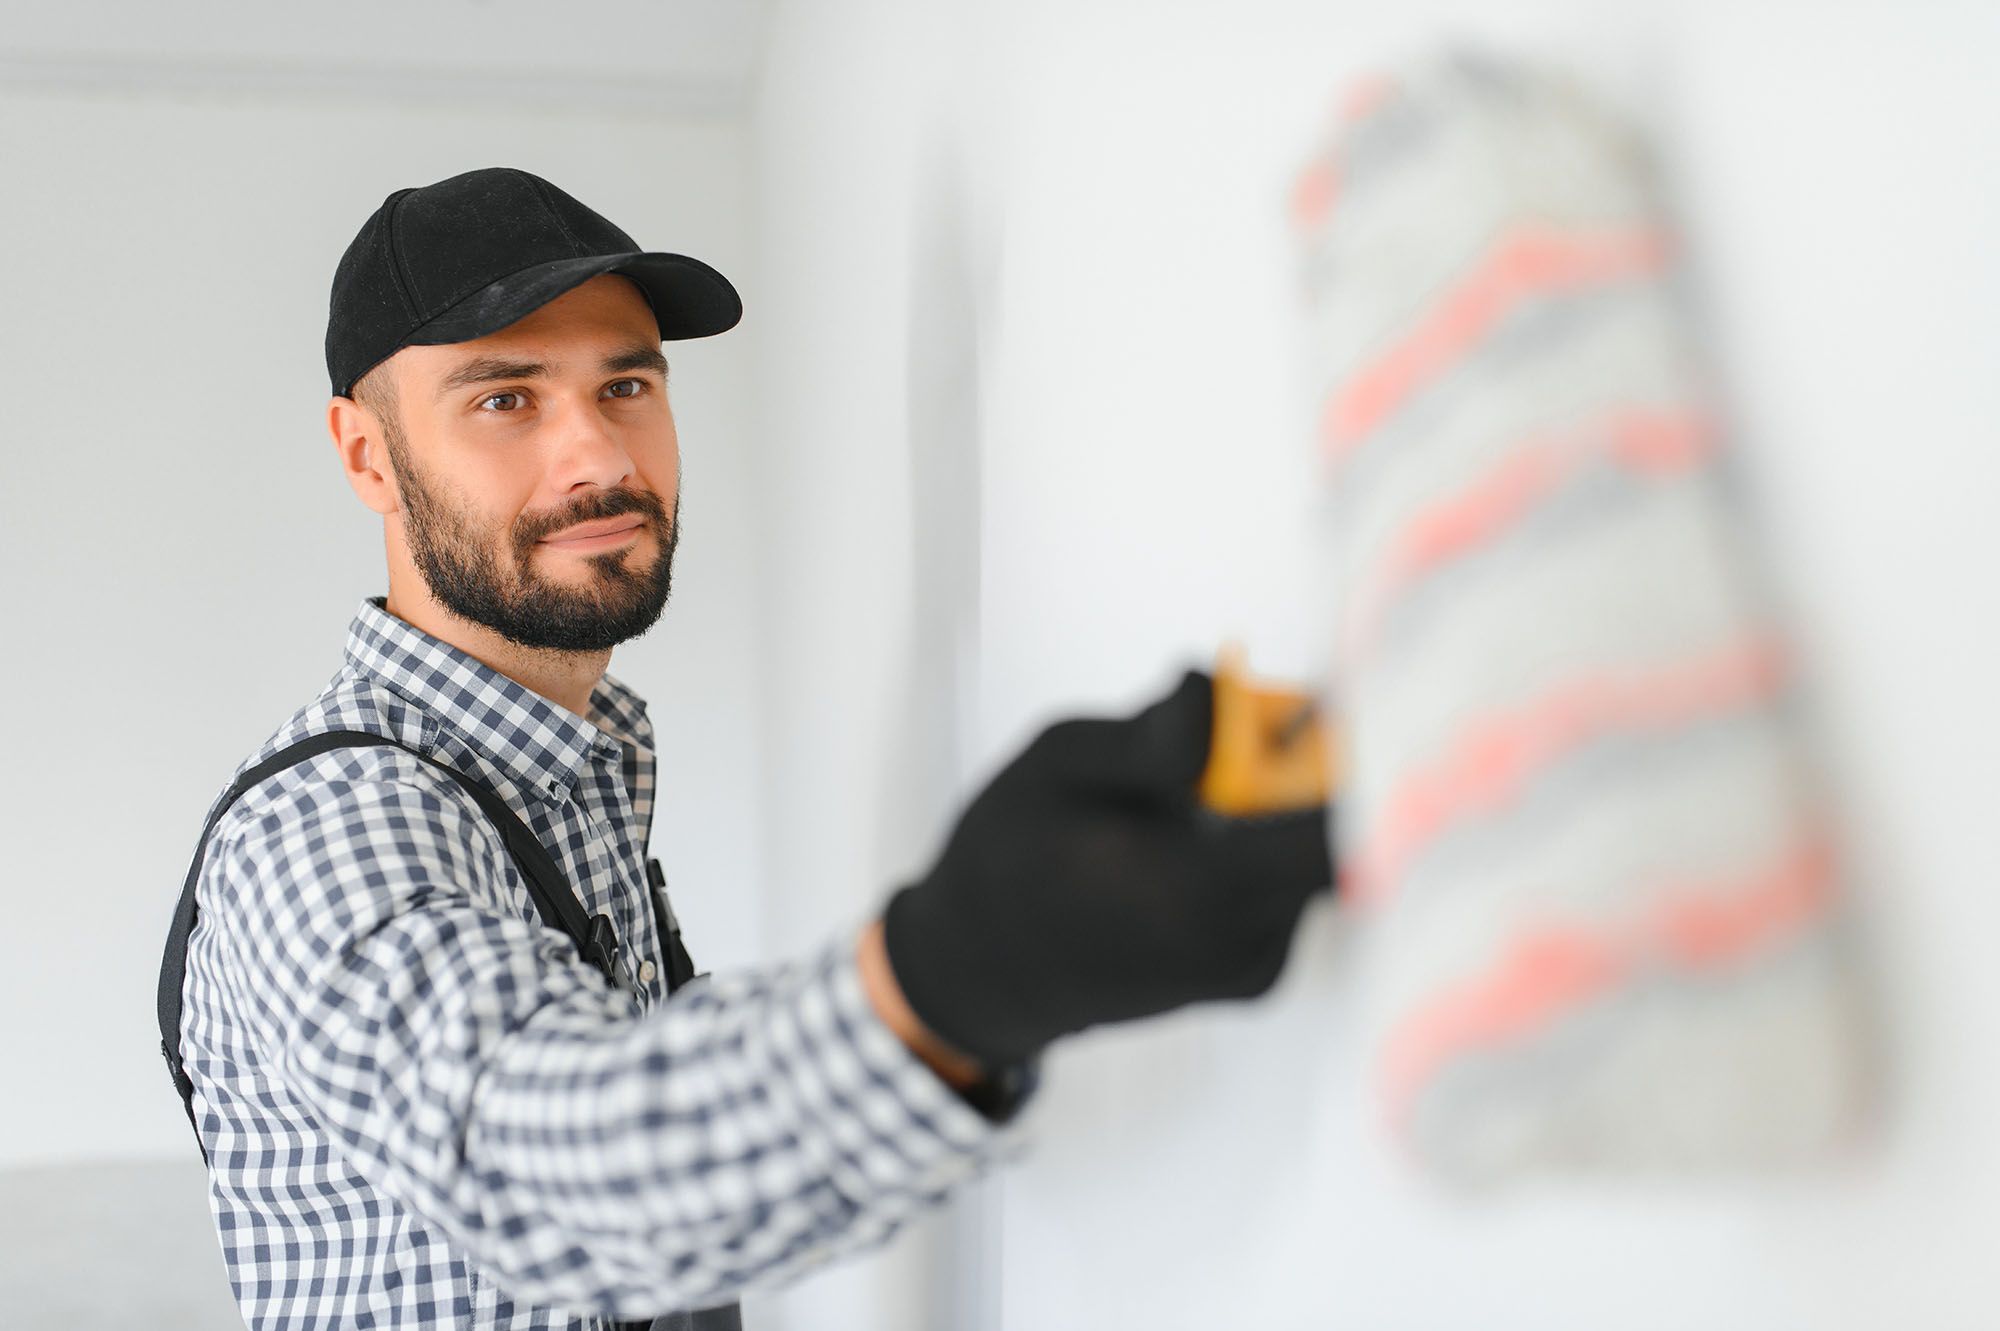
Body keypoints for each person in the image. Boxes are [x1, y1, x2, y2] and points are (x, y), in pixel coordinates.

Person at [168, 166, 1333, 1330]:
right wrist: (950, 975)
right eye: (505, 400)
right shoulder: (326, 823)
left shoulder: (578, 768)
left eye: (624, 384)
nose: (598, 460)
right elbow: (545, 1167)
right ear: (366, 455)